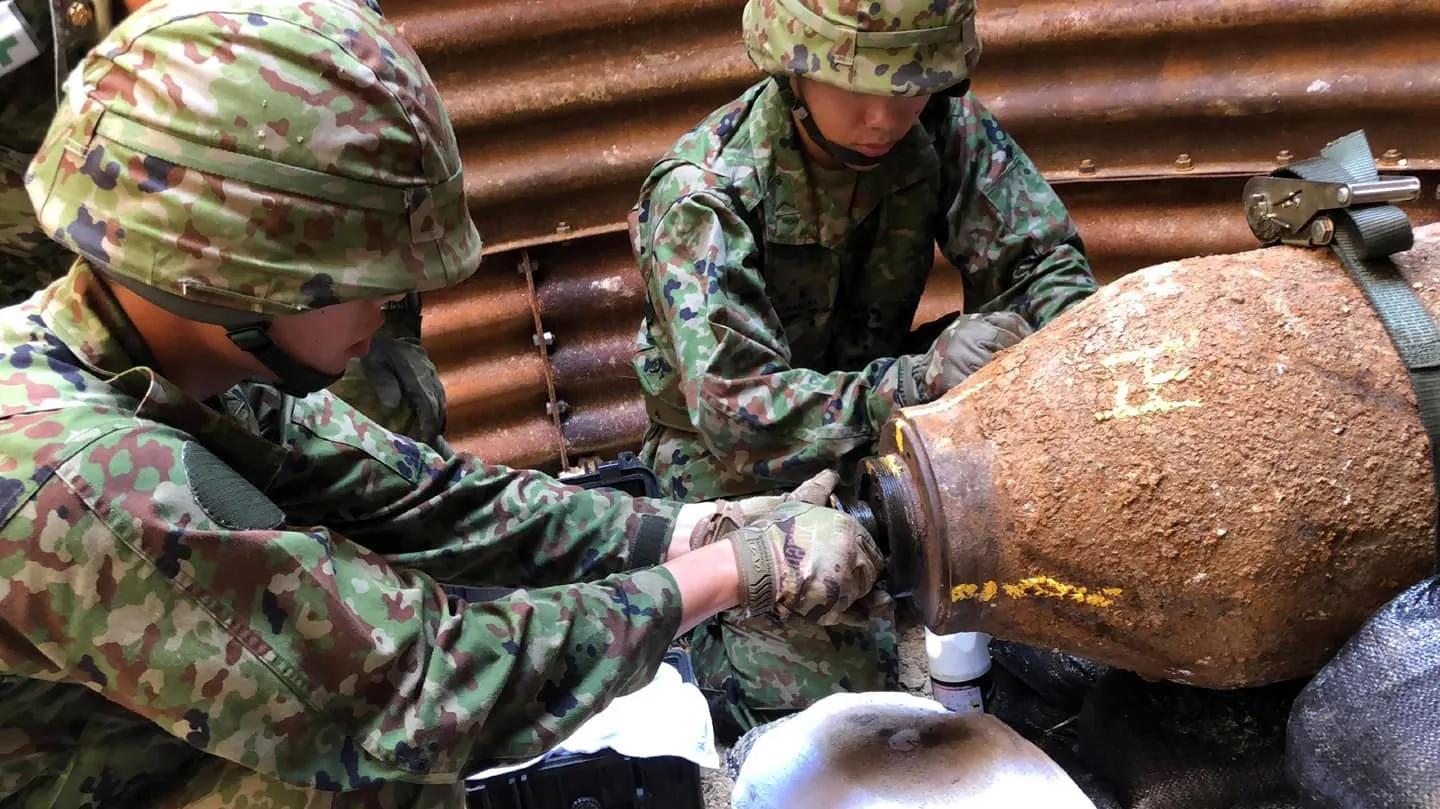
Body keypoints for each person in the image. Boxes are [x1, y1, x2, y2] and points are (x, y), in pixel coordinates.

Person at [0, 0, 881, 804]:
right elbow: (416, 680)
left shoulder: (179, 366)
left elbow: (431, 498)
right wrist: (729, 577)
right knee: (371, 780)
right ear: (238, 279)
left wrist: (693, 531)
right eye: (367, 277)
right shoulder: (82, 478)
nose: (391, 304)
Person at [628, 0, 1099, 735]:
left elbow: (1042, 265)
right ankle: (705, 641)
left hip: (880, 419)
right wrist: (916, 383)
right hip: (741, 458)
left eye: (907, 88)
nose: (883, 117)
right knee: (836, 713)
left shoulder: (943, 128)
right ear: (794, 66)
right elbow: (735, 411)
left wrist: (1068, 358)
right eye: (856, 86)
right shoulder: (704, 195)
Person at [1, 0, 451, 450]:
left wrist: (374, 310)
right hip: (57, 316)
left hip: (263, 293)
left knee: (373, 433)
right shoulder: (21, 24)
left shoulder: (317, 17)